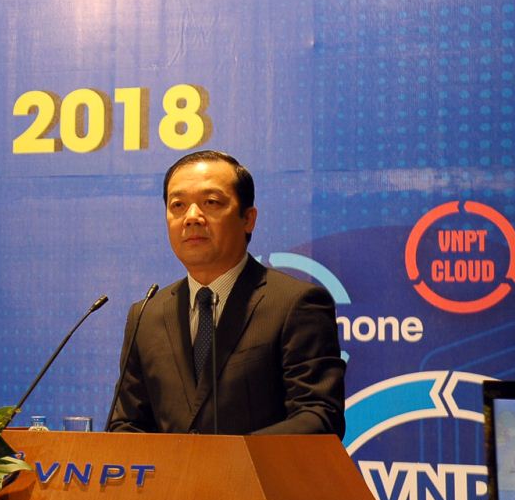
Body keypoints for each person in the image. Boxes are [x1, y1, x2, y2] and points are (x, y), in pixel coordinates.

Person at [107, 150, 345, 436]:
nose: (191, 217)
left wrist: (231, 457)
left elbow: (319, 417)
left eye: (211, 202)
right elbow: (126, 424)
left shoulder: (295, 304)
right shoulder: (147, 315)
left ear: (248, 219)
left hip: (258, 467)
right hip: (172, 470)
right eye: (178, 205)